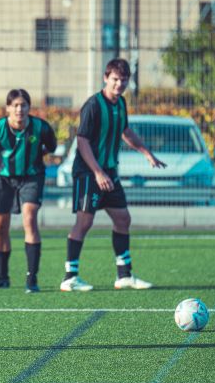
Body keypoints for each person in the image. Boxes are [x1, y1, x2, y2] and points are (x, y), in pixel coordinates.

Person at [61, 58, 166, 292]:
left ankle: (124, 275)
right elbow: (82, 140)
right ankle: (70, 277)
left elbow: (125, 130)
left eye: (123, 80)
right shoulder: (93, 105)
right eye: (115, 79)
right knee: (84, 221)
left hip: (109, 172)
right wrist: (97, 172)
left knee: (122, 219)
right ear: (105, 78)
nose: (119, 84)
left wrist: (146, 153)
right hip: (89, 173)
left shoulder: (120, 104)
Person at [0, 88, 57, 293]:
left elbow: (51, 147)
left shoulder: (41, 128)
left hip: (32, 177)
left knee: (29, 219)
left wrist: (32, 157)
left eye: (23, 105)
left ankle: (32, 279)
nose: (19, 109)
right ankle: (1, 276)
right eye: (15, 105)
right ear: (8, 108)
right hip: (3, 178)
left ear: (29, 108)